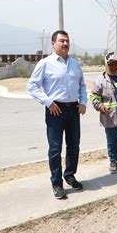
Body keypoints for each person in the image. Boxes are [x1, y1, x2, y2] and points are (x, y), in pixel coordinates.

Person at [27, 30, 87, 200]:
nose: (65, 44)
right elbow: (32, 86)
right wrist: (48, 102)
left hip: (73, 109)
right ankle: (56, 183)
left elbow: (82, 85)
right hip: (55, 110)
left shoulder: (75, 64)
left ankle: (69, 175)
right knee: (55, 149)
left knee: (74, 145)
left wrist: (83, 102)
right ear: (53, 44)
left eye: (67, 41)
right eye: (61, 41)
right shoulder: (45, 63)